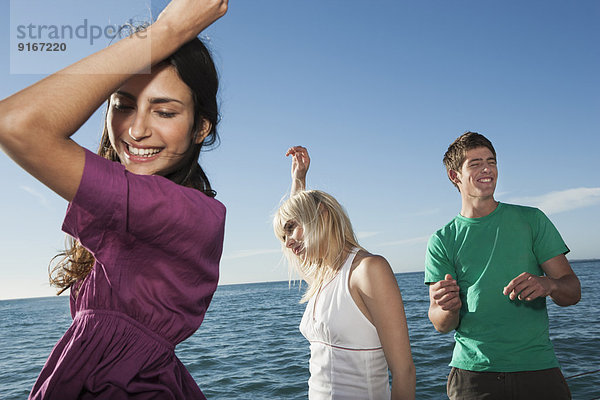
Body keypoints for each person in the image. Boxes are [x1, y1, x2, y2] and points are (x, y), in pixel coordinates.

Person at [0, 1, 228, 398]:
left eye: (165, 112)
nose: (137, 130)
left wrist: (167, 32)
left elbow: (18, 125)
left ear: (200, 128)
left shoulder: (188, 213)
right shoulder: (134, 208)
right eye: (122, 105)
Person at [425, 132, 581, 400]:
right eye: (474, 163)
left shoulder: (532, 220)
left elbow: (572, 292)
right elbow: (441, 324)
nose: (487, 168)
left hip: (537, 368)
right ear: (455, 176)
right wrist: (448, 308)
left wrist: (549, 284)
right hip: (472, 377)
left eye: (491, 161)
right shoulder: (441, 240)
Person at [273, 146, 416, 400]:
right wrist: (298, 182)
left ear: (322, 215)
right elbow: (301, 221)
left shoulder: (368, 270)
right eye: (283, 236)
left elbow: (404, 371)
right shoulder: (322, 275)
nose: (287, 243)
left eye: (291, 229)